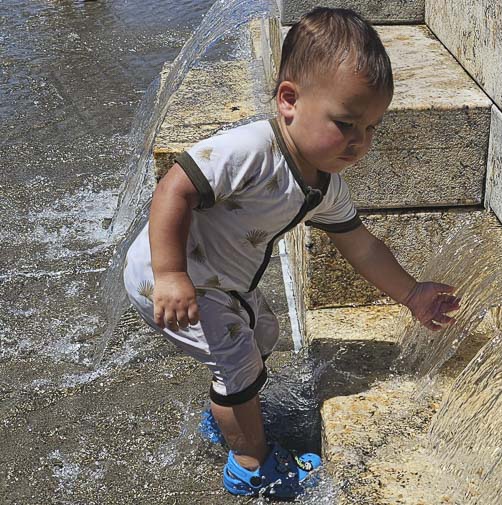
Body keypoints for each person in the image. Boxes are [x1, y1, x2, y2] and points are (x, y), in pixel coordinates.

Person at [123, 7, 459, 500]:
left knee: (263, 334)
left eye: (371, 129)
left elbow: (361, 244)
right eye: (346, 124)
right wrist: (172, 274)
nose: (359, 142)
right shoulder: (250, 151)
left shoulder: (324, 186)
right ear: (289, 100)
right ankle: (249, 465)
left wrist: (410, 293)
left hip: (224, 283)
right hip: (168, 269)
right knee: (237, 362)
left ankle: (228, 417)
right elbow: (173, 188)